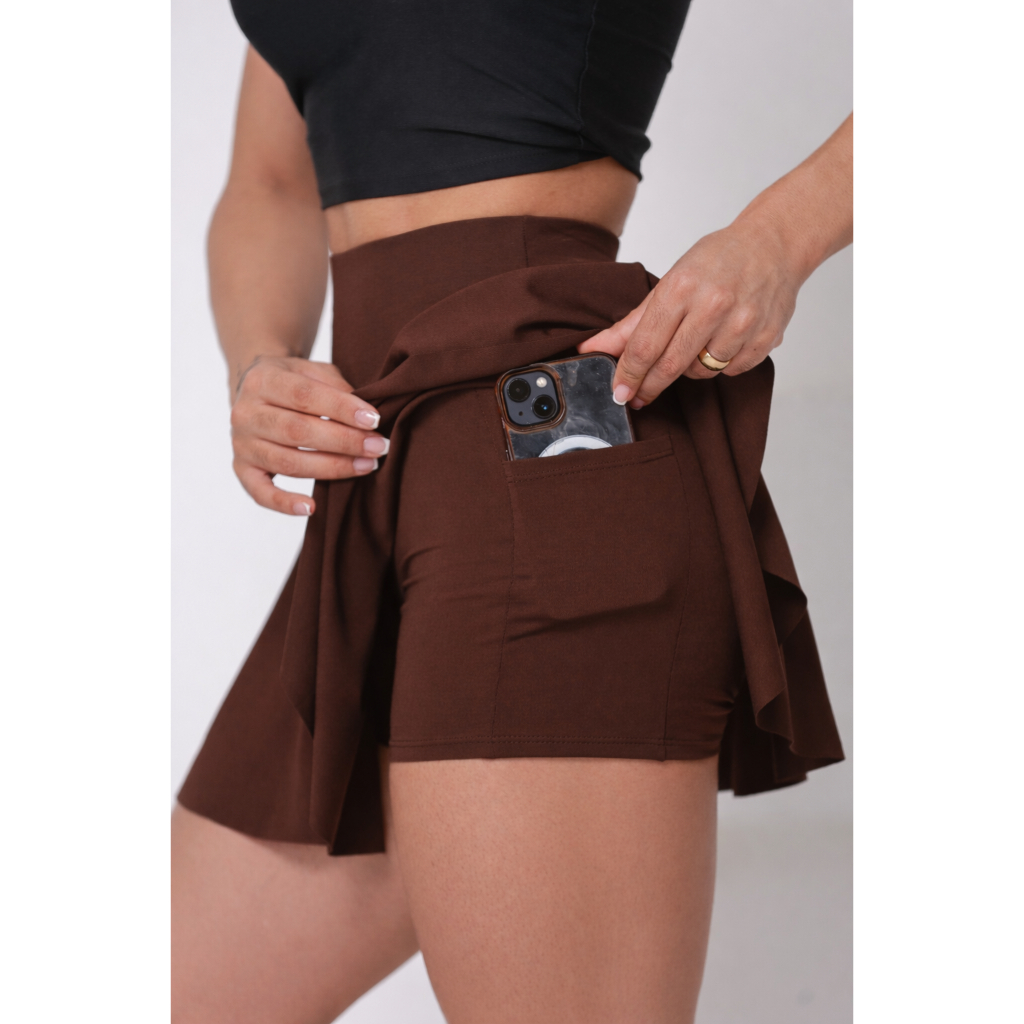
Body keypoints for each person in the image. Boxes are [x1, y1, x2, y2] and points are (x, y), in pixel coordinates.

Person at [172, 2, 851, 1021]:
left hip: (548, 462)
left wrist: (777, 240)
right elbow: (268, 181)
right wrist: (258, 362)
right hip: (373, 485)